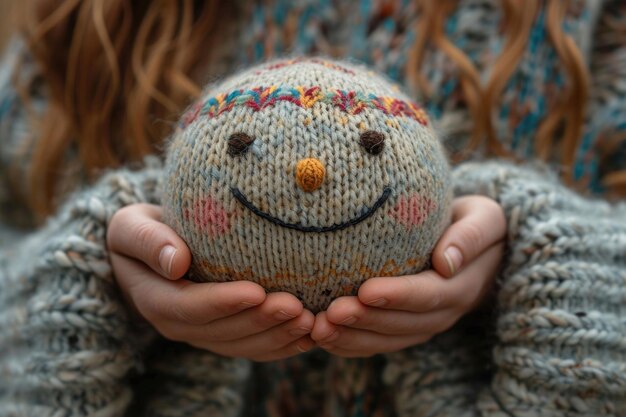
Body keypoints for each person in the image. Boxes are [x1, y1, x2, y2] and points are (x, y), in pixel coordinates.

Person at [0, 1, 624, 416]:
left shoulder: (584, 19)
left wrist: (527, 257)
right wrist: (91, 277)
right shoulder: (89, 21)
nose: (311, 175)